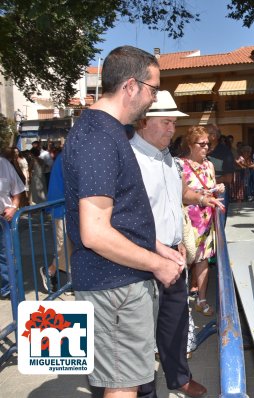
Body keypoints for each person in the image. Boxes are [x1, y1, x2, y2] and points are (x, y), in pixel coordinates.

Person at [63, 45, 184, 398]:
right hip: (114, 287)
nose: (154, 98)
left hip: (120, 284)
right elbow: (95, 232)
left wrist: (157, 245)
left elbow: (121, 217)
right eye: (153, 89)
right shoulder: (99, 137)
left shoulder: (110, 131)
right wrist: (157, 264)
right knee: (122, 387)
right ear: (131, 86)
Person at [132, 91, 212, 398]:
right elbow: (124, 219)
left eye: (173, 122)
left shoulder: (166, 157)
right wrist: (157, 249)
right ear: (143, 122)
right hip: (143, 256)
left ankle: (178, 377)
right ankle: (143, 389)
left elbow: (174, 200)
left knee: (175, 322)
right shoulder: (130, 159)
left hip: (173, 252)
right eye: (166, 122)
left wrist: (178, 238)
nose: (172, 129)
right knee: (139, 332)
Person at [176, 125, 225, 317]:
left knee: (203, 260)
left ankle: (201, 299)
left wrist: (216, 188)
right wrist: (202, 196)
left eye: (208, 144)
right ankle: (178, 300)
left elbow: (210, 187)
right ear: (190, 144)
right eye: (202, 144)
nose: (206, 147)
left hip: (207, 219)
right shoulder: (181, 165)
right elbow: (180, 195)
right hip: (189, 221)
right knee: (185, 261)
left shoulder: (209, 165)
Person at [39, 151, 73, 294]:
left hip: (68, 208)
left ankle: (71, 283)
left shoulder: (67, 155)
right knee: (63, 247)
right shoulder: (67, 156)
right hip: (61, 209)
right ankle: (50, 272)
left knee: (70, 247)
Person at [0, 156, 25, 297]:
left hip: (4, 219)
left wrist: (14, 207)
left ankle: (8, 289)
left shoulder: (4, 164)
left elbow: (17, 190)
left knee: (6, 255)